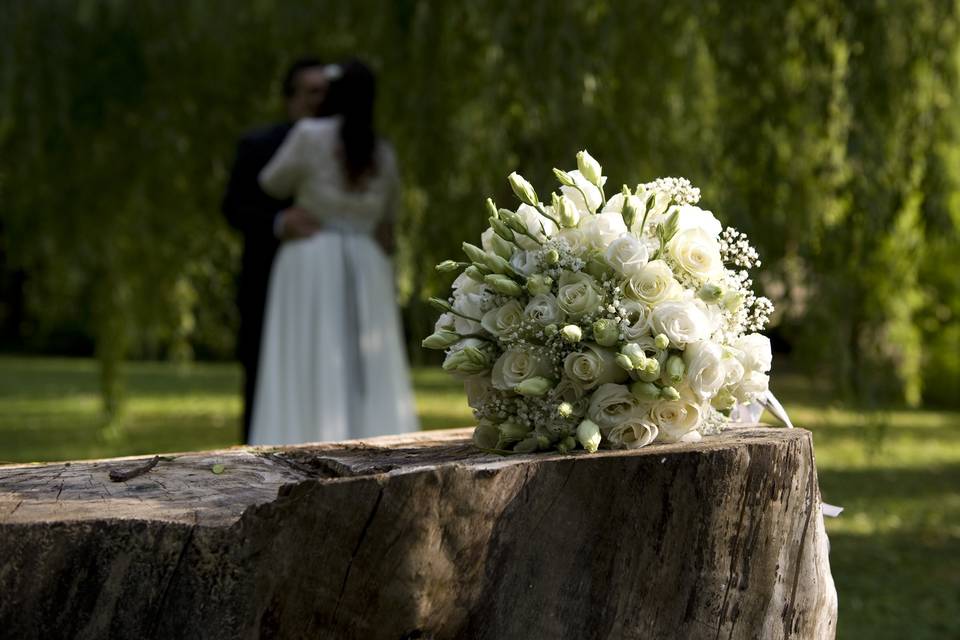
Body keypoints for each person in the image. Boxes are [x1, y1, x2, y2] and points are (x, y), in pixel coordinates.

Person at [249, 59, 419, 445]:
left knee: (311, 351)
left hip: (312, 253)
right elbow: (389, 215)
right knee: (367, 362)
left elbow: (272, 182)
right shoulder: (382, 152)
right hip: (368, 259)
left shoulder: (310, 135)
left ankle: (303, 434)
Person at [221, 57, 330, 443]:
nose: (321, 100)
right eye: (312, 91)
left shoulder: (353, 149)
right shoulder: (258, 146)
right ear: (290, 99)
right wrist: (279, 223)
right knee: (263, 379)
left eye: (326, 92)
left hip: (328, 290)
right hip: (267, 282)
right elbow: (234, 207)